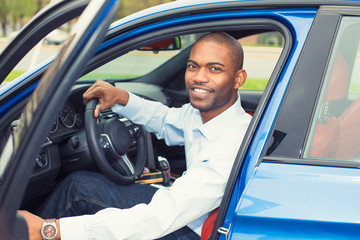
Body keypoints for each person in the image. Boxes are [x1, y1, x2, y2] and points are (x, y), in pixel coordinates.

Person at [19, 32, 252, 240]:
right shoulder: (205, 114)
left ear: (238, 78)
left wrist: (48, 230)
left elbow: (156, 220)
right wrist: (122, 98)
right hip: (188, 213)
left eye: (215, 69)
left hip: (192, 229)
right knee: (78, 185)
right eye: (193, 66)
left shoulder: (228, 147)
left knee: (74, 199)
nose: (199, 77)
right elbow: (165, 120)